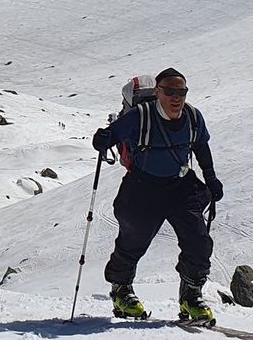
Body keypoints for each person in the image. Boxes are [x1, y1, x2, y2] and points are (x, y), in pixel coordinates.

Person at [91, 68, 223, 324]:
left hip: (180, 186)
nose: (177, 97)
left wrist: (211, 178)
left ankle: (191, 295)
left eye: (181, 92)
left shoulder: (193, 117)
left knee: (199, 241)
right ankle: (121, 290)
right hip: (142, 188)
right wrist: (102, 139)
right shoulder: (140, 117)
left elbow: (200, 147)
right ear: (158, 93)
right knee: (133, 241)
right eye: (170, 92)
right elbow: (111, 135)